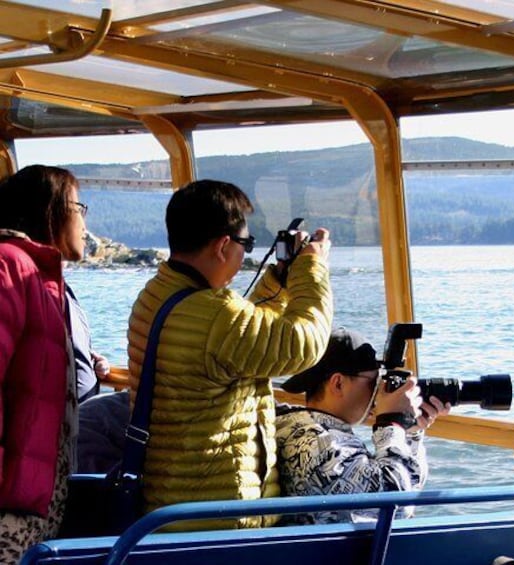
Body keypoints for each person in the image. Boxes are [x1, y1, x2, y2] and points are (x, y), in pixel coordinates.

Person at [126, 179, 332, 528]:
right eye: (246, 243)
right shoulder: (215, 315)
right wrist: (311, 268)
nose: (244, 254)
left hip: (169, 506)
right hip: (218, 519)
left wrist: (276, 283)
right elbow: (304, 342)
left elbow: (235, 338)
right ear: (223, 245)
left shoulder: (158, 294)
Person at [276, 327, 450, 524]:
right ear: (338, 384)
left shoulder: (305, 428)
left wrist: (409, 432)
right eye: (374, 383)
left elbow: (408, 486)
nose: (379, 393)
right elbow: (397, 505)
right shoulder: (319, 444)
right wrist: (391, 421)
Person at [0, 165, 84, 561]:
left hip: (31, 494)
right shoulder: (10, 266)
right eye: (78, 207)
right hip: (11, 502)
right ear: (50, 211)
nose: (84, 221)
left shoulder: (39, 274)